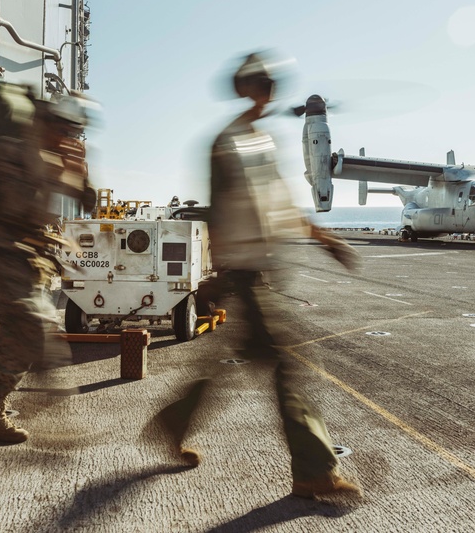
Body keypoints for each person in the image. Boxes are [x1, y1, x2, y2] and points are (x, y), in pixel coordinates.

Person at [148, 51, 362, 499]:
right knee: (287, 365)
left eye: (269, 85)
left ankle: (175, 419)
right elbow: (218, 211)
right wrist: (222, 271)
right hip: (243, 269)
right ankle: (313, 470)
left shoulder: (261, 141)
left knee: (233, 363)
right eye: (260, 84)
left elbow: (282, 203)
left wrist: (325, 239)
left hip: (262, 267)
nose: (266, 92)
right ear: (245, 87)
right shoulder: (226, 142)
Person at [0, 91, 96, 443]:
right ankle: (59, 420)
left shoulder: (55, 157)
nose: (66, 137)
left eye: (71, 132)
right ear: (43, 123)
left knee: (15, 342)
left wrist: (77, 171)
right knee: (40, 328)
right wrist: (57, 169)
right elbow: (14, 208)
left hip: (36, 259)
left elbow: (86, 202)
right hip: (8, 252)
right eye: (62, 129)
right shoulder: (11, 151)